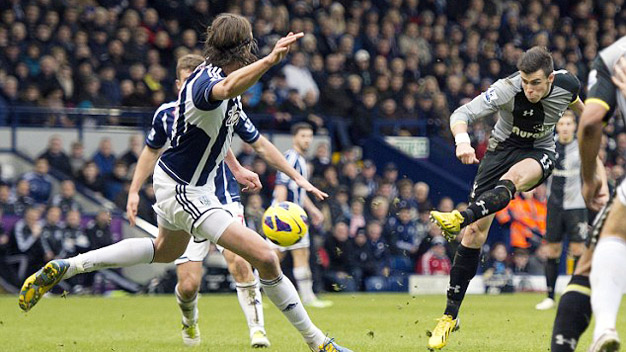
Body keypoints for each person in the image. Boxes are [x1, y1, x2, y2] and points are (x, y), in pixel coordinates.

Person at [19, 14, 351, 352]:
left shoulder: (219, 79)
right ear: (243, 46)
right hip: (186, 189)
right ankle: (317, 342)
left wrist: (296, 178)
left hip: (183, 182)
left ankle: (69, 266)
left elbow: (258, 143)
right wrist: (270, 60)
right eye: (251, 41)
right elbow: (225, 90)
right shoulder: (207, 84)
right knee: (266, 256)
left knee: (165, 250)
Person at [130, 53, 332, 348]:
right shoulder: (167, 115)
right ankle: (189, 317)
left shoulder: (224, 103)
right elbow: (151, 152)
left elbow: (252, 143)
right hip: (186, 197)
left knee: (242, 260)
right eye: (187, 81)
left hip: (221, 195)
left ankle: (257, 329)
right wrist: (135, 190)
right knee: (188, 285)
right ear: (179, 85)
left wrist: (238, 169)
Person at [427, 47, 585, 350]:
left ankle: (460, 216)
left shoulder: (567, 84)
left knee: (510, 183)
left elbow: (584, 109)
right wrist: (462, 141)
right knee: (474, 235)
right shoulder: (507, 89)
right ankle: (450, 316)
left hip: (539, 152)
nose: (529, 89)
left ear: (550, 78)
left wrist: (596, 125)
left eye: (536, 83)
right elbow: (462, 114)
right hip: (499, 152)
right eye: (525, 81)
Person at [573, 36, 626, 352]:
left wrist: (589, 175)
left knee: (614, 232)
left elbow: (591, 124)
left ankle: (605, 326)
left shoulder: (613, 56)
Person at [270, 122, 333, 308]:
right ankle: (256, 291)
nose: (307, 139)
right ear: (295, 138)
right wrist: (281, 214)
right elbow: (281, 185)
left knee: (302, 254)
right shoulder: (290, 158)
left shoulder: (302, 160)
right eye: (303, 136)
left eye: (309, 136)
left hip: (297, 216)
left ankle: (308, 296)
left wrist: (313, 210)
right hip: (285, 216)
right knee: (273, 256)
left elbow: (299, 191)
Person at [536, 111, 588, 311]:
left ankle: (576, 295)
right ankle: (549, 296)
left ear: (574, 126)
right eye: (562, 124)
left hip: (577, 205)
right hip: (554, 206)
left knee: (577, 251)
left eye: (569, 123)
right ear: (557, 126)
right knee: (552, 251)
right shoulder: (549, 145)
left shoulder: (583, 146)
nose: (565, 127)